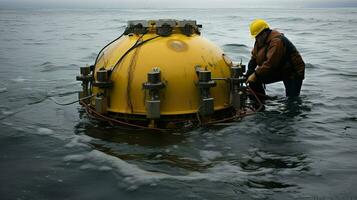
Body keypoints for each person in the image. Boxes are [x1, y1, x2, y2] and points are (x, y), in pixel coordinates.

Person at [246, 19, 305, 99]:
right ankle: (260, 102)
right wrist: (250, 71)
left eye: (258, 36)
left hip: (293, 71)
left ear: (264, 33)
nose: (256, 39)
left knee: (292, 99)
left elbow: (270, 64)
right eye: (255, 37)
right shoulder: (259, 41)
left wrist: (255, 74)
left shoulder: (277, 41)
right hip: (280, 69)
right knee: (254, 80)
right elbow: (254, 57)